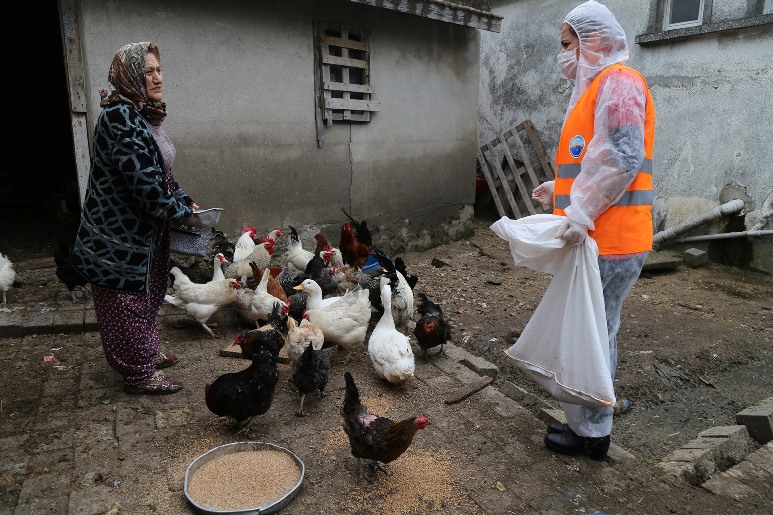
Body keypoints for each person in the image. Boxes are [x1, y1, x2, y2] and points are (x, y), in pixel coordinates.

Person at [531, 1, 656, 460]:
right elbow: (595, 160)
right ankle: (587, 426)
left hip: (612, 239)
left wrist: (579, 214)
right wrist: (560, 189)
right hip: (605, 236)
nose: (563, 55)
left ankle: (593, 434)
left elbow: (622, 159)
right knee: (593, 332)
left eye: (567, 45)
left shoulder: (618, 83)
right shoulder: (601, 87)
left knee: (593, 336)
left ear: (593, 42)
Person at [72, 42, 198, 394]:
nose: (157, 77)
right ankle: (138, 373)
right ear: (129, 76)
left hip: (144, 235)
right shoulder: (119, 118)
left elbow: (162, 174)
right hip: (118, 239)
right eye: (147, 71)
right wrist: (182, 212)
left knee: (146, 298)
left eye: (159, 69)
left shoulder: (144, 114)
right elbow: (146, 187)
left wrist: (185, 200)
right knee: (124, 304)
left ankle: (147, 352)